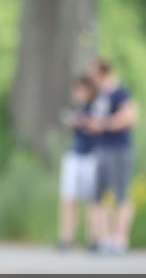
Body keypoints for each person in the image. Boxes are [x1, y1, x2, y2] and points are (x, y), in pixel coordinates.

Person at [87, 57, 138, 253]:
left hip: (119, 149)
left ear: (102, 72)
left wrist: (105, 124)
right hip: (101, 149)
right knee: (98, 195)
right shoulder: (98, 96)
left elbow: (130, 117)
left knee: (121, 193)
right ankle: (104, 238)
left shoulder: (120, 92)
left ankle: (121, 239)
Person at [57, 76, 98, 251]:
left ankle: (93, 238)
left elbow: (98, 126)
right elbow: (67, 121)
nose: (78, 94)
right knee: (68, 198)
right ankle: (66, 237)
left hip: (91, 156)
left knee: (92, 199)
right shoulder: (74, 106)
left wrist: (85, 121)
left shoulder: (96, 106)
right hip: (75, 155)